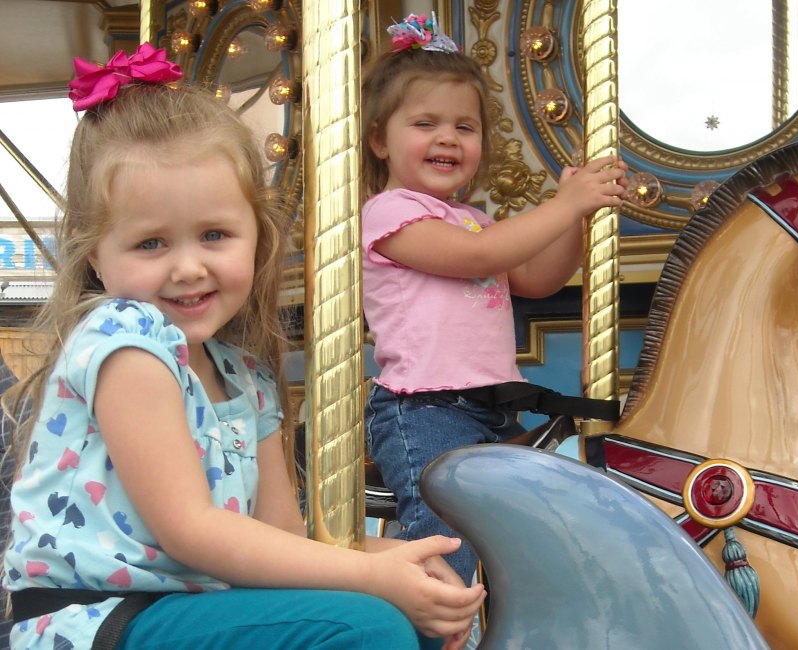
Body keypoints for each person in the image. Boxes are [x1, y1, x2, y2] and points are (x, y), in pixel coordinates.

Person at [1, 43, 483, 650]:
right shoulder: (124, 341)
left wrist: (399, 558)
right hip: (96, 620)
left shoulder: (243, 375)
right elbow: (192, 533)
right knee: (364, 626)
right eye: (150, 244)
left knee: (393, 610)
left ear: (258, 236)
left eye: (214, 235)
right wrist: (370, 576)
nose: (187, 267)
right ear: (95, 253)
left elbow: (280, 532)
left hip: (185, 611)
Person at [361, 15, 627, 585]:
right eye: (425, 123)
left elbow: (538, 278)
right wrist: (563, 206)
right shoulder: (390, 214)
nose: (448, 138)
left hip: (487, 410)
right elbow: (482, 258)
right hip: (423, 410)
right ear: (380, 138)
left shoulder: (474, 220)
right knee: (445, 543)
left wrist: (577, 216)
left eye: (465, 126)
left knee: (521, 537)